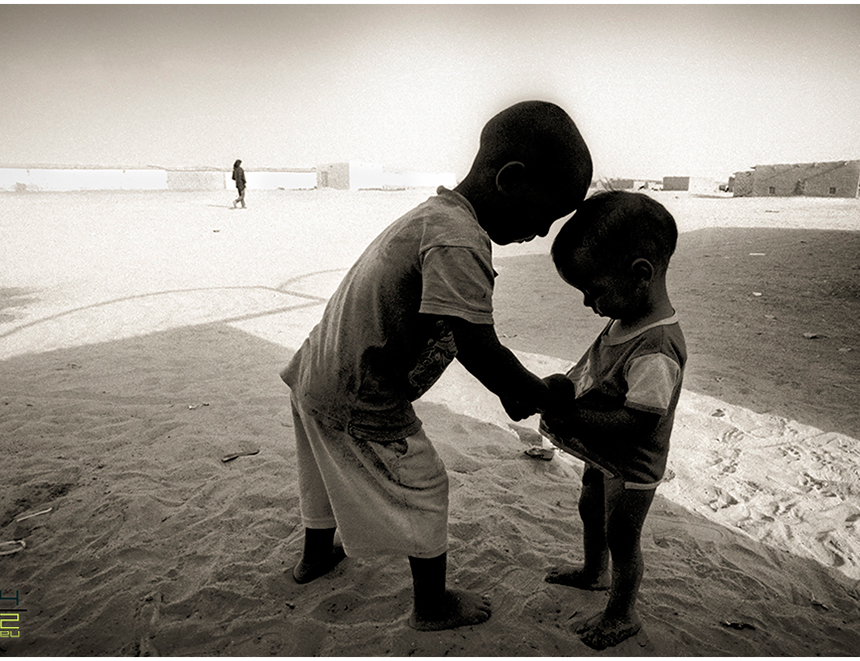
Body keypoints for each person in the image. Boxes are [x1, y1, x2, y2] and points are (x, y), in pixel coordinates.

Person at [280, 100, 593, 631]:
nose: (541, 233)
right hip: (363, 391)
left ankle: (316, 556)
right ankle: (431, 605)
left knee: (320, 468)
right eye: (545, 216)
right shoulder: (460, 239)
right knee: (424, 486)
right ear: (510, 179)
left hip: (316, 370)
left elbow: (457, 333)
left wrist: (510, 391)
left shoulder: (435, 216)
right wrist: (540, 393)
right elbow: (477, 344)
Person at [537, 191, 686, 650]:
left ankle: (623, 614)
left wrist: (573, 417)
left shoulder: (655, 349)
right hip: (603, 453)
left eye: (593, 290)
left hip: (632, 463)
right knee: (589, 509)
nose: (588, 303)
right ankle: (591, 572)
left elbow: (639, 424)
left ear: (640, 274)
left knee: (622, 535)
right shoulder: (625, 316)